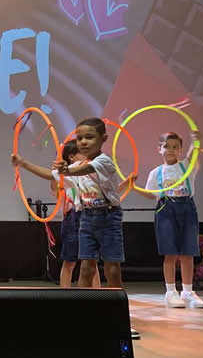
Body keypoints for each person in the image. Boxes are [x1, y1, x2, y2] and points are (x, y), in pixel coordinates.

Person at [53, 117, 140, 339]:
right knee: (86, 268)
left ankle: (119, 319)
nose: (83, 142)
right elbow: (52, 174)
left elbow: (85, 169)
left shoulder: (103, 161)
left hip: (109, 217)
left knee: (112, 268)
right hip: (86, 217)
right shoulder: (76, 167)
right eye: (79, 138)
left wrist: (66, 170)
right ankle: (84, 316)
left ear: (103, 138)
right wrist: (23, 164)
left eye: (89, 137)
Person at [12, 139, 101, 288]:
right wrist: (24, 163)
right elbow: (52, 182)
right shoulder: (70, 170)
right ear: (72, 156)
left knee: (91, 261)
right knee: (70, 261)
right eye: (82, 152)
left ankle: (100, 296)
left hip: (90, 216)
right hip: (74, 217)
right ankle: (65, 295)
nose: (86, 154)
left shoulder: (92, 167)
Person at [137, 131, 203, 308]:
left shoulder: (186, 166)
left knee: (188, 252)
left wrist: (195, 141)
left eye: (175, 147)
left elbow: (193, 155)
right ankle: (170, 291)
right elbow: (151, 194)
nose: (171, 150)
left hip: (187, 209)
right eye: (167, 146)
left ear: (181, 150)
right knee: (170, 252)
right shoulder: (156, 173)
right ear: (159, 149)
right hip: (166, 210)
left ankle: (188, 291)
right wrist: (133, 187)